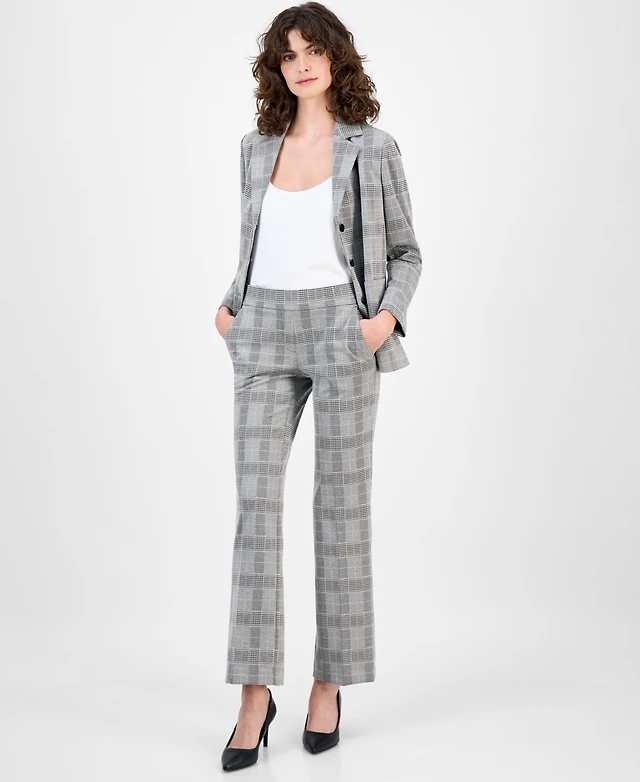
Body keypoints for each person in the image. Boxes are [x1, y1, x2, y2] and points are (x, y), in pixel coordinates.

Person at [215, 2, 422, 771]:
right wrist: (231, 308)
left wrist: (380, 322)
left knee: (339, 510)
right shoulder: (254, 147)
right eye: (288, 54)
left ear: (337, 58)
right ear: (277, 67)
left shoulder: (374, 147)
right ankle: (253, 696)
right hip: (263, 328)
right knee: (256, 513)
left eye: (313, 51)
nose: (301, 64)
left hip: (343, 328)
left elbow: (406, 253)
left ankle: (328, 683)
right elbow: (254, 239)